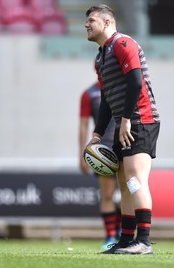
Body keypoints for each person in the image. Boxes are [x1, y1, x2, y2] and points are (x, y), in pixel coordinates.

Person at [84, 4, 160, 255]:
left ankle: (144, 241)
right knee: (124, 183)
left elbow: (136, 81)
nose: (86, 24)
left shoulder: (123, 44)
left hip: (141, 120)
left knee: (136, 180)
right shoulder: (100, 56)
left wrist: (126, 119)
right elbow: (106, 98)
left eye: (92, 20)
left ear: (107, 23)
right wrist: (97, 133)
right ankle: (127, 239)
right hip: (123, 123)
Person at [79, 81, 121, 250]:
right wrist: (82, 154)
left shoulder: (125, 87)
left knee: (128, 193)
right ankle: (110, 236)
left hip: (126, 145)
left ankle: (123, 232)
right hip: (102, 152)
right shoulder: (89, 94)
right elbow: (83, 126)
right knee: (108, 194)